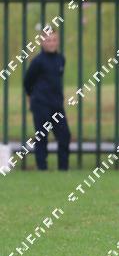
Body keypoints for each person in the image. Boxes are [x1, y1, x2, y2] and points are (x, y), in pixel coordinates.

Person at [22, 30, 71, 171]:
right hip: (41, 104)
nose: (51, 43)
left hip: (57, 105)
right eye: (48, 40)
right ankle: (42, 168)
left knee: (64, 135)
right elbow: (27, 81)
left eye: (54, 40)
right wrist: (33, 96)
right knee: (42, 136)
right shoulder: (37, 61)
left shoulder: (61, 59)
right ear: (42, 42)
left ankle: (63, 169)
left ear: (58, 41)